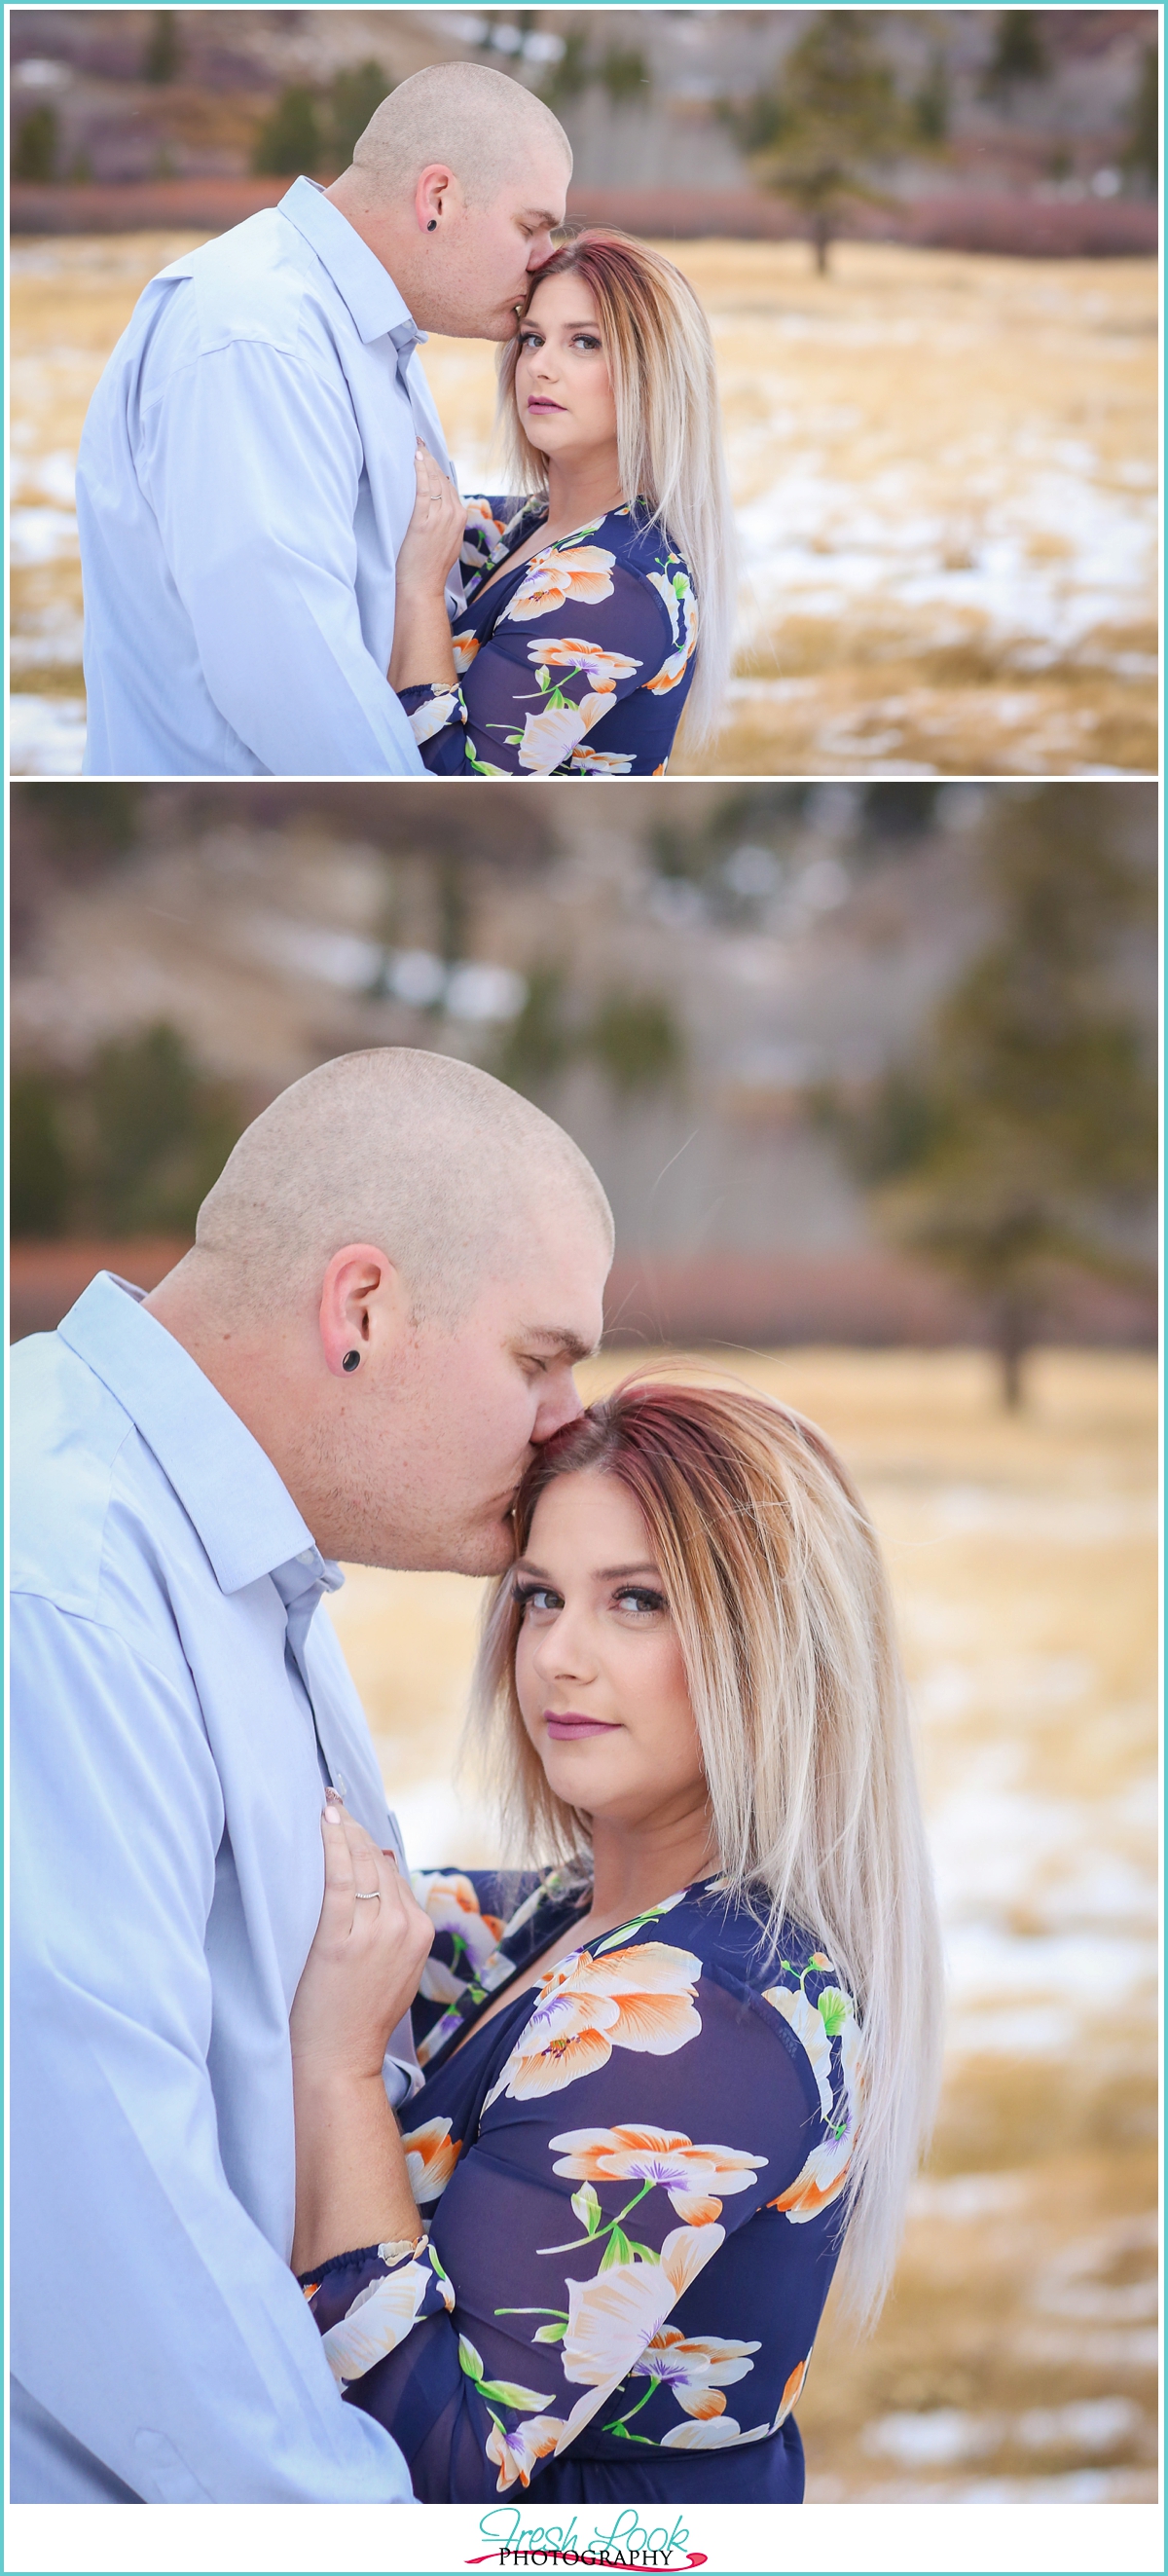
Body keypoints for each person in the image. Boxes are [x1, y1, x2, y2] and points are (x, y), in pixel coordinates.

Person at [9, 1049, 614, 2503]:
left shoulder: (229, 1563)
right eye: (538, 1357)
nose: (566, 1420)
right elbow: (97, 2211)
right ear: (363, 1309)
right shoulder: (60, 1573)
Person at [283, 1379, 943, 2503]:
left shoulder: (704, 2011)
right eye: (540, 1599)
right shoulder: (557, 1920)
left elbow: (440, 2471)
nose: (558, 1658)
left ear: (771, 1644)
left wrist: (337, 2074)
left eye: (635, 1601)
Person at [75, 65, 571, 778]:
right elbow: (289, 677)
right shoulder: (256, 334)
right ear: (438, 198)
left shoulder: (353, 329)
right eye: (531, 226)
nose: (545, 259)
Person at [389, 232, 735, 776]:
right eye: (532, 339)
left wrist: (420, 592)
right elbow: (399, 514)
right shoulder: (533, 523)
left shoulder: (614, 585)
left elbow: (449, 781)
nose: (540, 366)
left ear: (655, 375)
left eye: (585, 342)